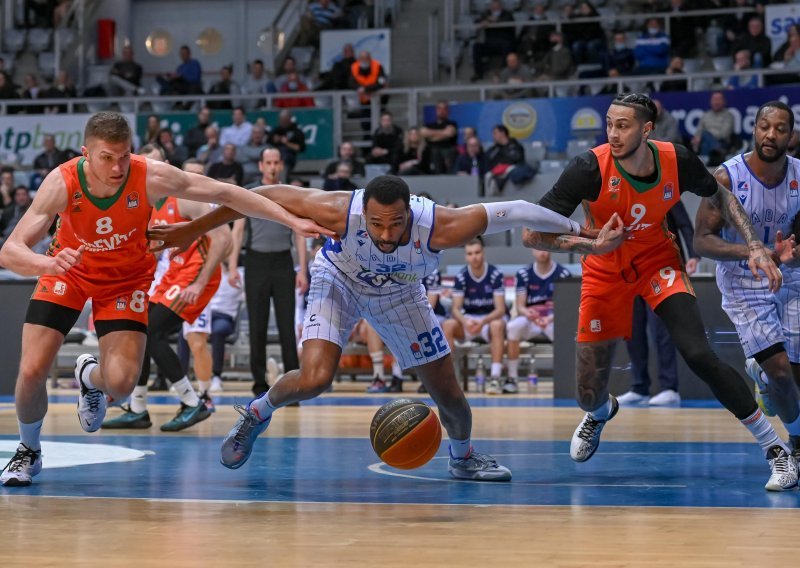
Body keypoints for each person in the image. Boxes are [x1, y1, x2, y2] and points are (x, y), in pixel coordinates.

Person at [148, 175, 625, 481]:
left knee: (452, 399)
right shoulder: (338, 210)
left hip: (402, 295)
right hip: (339, 280)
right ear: (364, 214)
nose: (384, 233)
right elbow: (262, 196)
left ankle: (463, 458)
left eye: (394, 224)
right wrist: (194, 229)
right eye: (375, 224)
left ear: (409, 216)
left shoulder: (441, 226)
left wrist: (582, 232)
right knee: (314, 379)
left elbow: (519, 208)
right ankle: (257, 411)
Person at [0, 112, 331, 486]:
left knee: (122, 384)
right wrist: (46, 261)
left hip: (124, 282)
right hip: (68, 272)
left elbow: (228, 193)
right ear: (86, 154)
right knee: (31, 372)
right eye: (107, 157)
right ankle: (29, 450)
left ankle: (88, 377)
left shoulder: (150, 176)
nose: (117, 166)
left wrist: (292, 221)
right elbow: (10, 251)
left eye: (124, 155)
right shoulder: (61, 182)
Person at [524, 93, 796, 491]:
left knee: (699, 354)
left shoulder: (676, 159)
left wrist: (754, 243)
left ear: (646, 130)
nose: (613, 134)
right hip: (604, 268)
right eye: (610, 124)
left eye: (623, 125)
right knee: (587, 392)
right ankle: (600, 411)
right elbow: (533, 233)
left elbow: (719, 194)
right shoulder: (587, 168)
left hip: (657, 261)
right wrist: (591, 245)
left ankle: (774, 449)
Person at [695, 100, 800, 468]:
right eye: (764, 126)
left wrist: (789, 254)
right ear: (754, 129)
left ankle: (763, 376)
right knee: (782, 372)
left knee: (793, 377)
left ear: (791, 135)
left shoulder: (799, 175)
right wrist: (756, 252)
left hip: (792, 276)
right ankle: (797, 446)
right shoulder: (726, 178)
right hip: (743, 280)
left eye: (780, 129)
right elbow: (702, 240)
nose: (771, 135)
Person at [100, 148, 231, 429]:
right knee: (138, 330)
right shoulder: (146, 203)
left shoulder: (185, 196)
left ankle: (192, 402)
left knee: (152, 332)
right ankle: (137, 408)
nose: (152, 169)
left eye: (156, 163)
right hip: (173, 275)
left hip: (197, 275)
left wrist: (198, 282)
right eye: (146, 165)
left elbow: (224, 238)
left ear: (167, 166)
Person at [228, 148, 309, 396]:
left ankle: (293, 384)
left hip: (283, 262)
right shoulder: (250, 192)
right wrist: (232, 265)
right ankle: (259, 384)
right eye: (268, 163)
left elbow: (299, 233)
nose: (273, 167)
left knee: (287, 325)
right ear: (261, 166)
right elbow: (238, 230)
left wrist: (302, 270)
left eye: (276, 162)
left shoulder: (291, 194)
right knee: (257, 324)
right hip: (256, 262)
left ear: (281, 165)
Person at [618, 200, 700, 406]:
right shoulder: (621, 196)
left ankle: (669, 387)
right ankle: (639, 386)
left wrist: (693, 255)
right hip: (630, 269)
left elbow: (684, 224)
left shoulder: (666, 191)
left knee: (661, 330)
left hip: (662, 268)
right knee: (632, 328)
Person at [443, 237, 508, 395]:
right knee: (448, 325)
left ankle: (495, 378)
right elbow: (456, 308)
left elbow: (500, 309)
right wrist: (465, 322)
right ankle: (450, 380)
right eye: (470, 253)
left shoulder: (495, 274)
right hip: (470, 321)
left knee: (497, 325)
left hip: (489, 319)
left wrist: (483, 321)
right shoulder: (461, 276)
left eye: (477, 252)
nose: (474, 257)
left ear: (483, 252)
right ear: (466, 256)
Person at [506, 250, 571, 391]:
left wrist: (550, 318)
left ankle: (566, 380)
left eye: (545, 248)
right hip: (530, 319)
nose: (542, 252)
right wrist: (531, 314)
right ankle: (512, 378)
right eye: (538, 248)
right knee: (512, 327)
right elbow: (520, 306)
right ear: (532, 250)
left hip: (553, 319)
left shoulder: (563, 274)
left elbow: (565, 306)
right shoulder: (524, 273)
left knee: (565, 332)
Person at [420, 101, 458, 175]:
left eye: (444, 109)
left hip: (448, 151)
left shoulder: (452, 123)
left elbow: (450, 133)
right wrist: (443, 134)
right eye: (439, 109)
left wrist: (432, 136)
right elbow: (423, 133)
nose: (442, 111)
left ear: (448, 111)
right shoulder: (429, 124)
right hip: (431, 152)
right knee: (435, 152)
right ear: (436, 110)